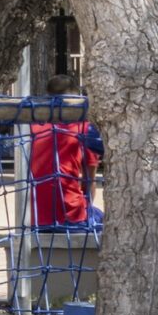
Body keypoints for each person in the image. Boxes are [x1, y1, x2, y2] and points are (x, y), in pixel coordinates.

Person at [30, 72, 103, 230]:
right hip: (71, 216)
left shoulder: (32, 127)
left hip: (34, 218)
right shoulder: (84, 129)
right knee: (105, 219)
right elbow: (89, 181)